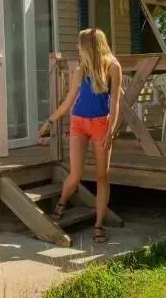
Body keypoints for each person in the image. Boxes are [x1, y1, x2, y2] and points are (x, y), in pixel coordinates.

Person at [43, 28, 122, 244]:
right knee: (75, 174)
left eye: (80, 44)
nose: (77, 48)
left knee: (101, 176)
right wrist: (50, 120)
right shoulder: (81, 69)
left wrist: (111, 131)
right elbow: (69, 101)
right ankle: (61, 202)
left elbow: (115, 103)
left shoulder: (113, 67)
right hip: (78, 123)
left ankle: (98, 225)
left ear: (89, 46)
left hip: (101, 125)